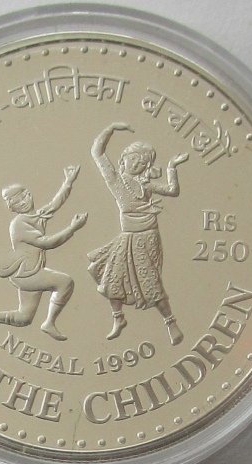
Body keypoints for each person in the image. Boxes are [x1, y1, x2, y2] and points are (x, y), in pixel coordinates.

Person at [88, 122, 188, 344]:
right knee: (112, 277)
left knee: (150, 281)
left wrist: (172, 167)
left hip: (148, 238)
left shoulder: (145, 185)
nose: (136, 164)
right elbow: (97, 152)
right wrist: (110, 129)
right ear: (123, 159)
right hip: (128, 237)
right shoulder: (116, 181)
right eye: (133, 158)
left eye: (142, 162)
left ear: (146, 166)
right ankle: (118, 318)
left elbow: (173, 190)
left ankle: (170, 322)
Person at [0, 165, 87, 341]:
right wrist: (72, 228)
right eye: (17, 203)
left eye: (24, 197)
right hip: (29, 274)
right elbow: (47, 243)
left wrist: (68, 181)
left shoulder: (37, 216)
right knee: (65, 282)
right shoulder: (19, 225)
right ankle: (49, 323)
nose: (23, 203)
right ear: (12, 208)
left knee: (24, 318)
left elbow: (56, 203)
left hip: (30, 271)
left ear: (29, 194)